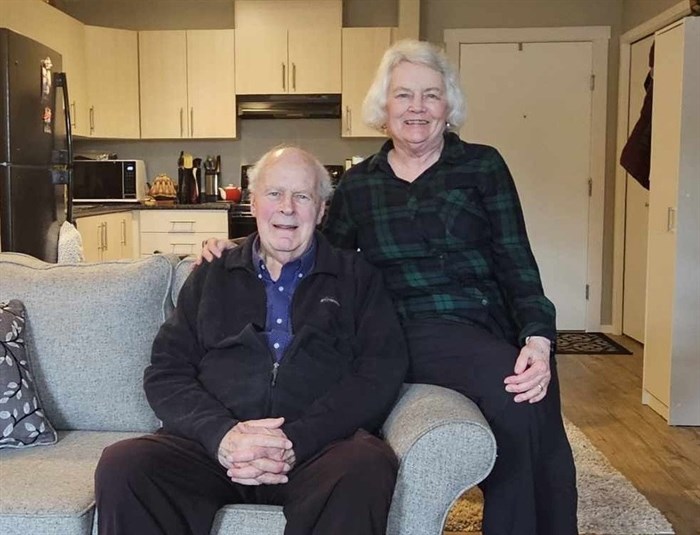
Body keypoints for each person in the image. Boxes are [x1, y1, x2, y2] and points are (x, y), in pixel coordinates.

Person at [198, 40, 578, 535]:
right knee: (519, 398)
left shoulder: (482, 167)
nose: (416, 108)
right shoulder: (360, 186)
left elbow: (515, 257)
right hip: (395, 328)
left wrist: (538, 337)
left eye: (430, 95)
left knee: (533, 396)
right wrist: (235, 247)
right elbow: (309, 244)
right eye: (403, 96)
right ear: (384, 108)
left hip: (476, 325)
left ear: (448, 107)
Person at [94, 147, 408, 535]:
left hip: (319, 448)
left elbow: (379, 373)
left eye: (303, 196)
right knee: (126, 464)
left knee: (365, 468)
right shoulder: (212, 275)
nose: (287, 208)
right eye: (274, 193)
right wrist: (221, 435)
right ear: (253, 201)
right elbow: (166, 372)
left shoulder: (357, 277)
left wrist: (296, 439)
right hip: (213, 449)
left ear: (322, 210)